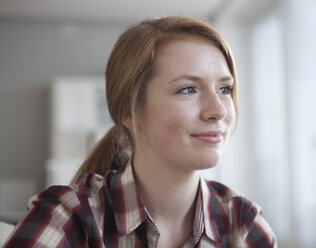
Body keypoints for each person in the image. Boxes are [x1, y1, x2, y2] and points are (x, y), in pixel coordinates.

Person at [4, 16, 277, 247]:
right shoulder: (67, 217)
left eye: (224, 89)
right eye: (188, 89)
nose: (217, 110)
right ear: (129, 112)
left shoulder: (245, 226)